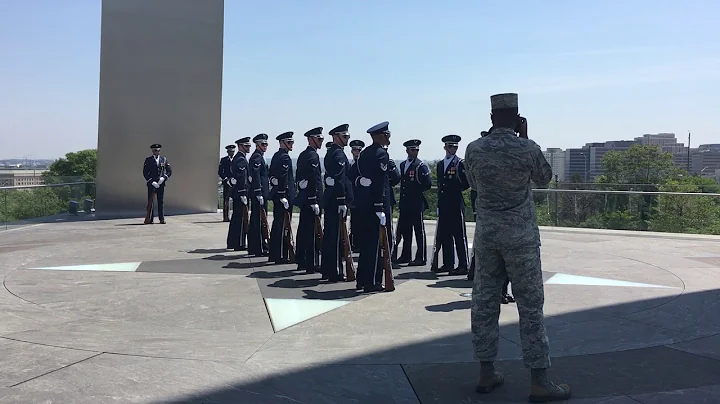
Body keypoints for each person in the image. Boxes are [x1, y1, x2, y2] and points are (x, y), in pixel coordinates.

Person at [464, 93, 569, 401]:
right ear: (517, 116)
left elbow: (472, 183)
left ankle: (486, 373)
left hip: (487, 238)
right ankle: (539, 381)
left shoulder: (474, 149)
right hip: (520, 239)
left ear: (492, 116)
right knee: (530, 307)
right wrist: (525, 138)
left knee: (484, 304)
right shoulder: (527, 148)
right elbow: (544, 178)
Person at [354, 121, 392, 293]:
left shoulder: (365, 154)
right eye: (386, 135)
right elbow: (378, 183)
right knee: (376, 245)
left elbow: (353, 174)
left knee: (366, 244)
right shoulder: (381, 154)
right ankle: (372, 282)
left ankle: (361, 279)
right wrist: (379, 207)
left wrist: (360, 183)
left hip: (363, 205)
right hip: (376, 205)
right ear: (380, 136)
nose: (388, 137)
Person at [320, 124, 353, 282]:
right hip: (336, 200)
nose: (347, 139)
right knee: (336, 237)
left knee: (331, 235)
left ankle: (328, 270)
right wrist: (342, 200)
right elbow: (340, 179)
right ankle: (335, 271)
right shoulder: (338, 154)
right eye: (345, 137)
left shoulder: (331, 153)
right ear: (336, 137)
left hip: (331, 199)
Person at [436, 135, 470, 275]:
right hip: (444, 204)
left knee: (459, 235)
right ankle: (448, 263)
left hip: (455, 203)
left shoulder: (460, 163)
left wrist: (456, 189)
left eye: (455, 146)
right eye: (450, 146)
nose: (453, 149)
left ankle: (462, 265)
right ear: (445, 147)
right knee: (445, 235)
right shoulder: (440, 164)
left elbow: (466, 182)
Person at [396, 139, 432, 266]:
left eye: (417, 149)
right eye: (412, 149)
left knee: (418, 230)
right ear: (407, 150)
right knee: (405, 230)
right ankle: (406, 255)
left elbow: (427, 183)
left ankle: (420, 257)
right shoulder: (403, 165)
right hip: (405, 202)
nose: (415, 152)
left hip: (416, 202)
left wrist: (415, 190)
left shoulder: (420, 165)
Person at [294, 127, 324, 273]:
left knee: (304, 229)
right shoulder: (312, 156)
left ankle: (301, 260)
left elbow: (299, 179)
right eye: (319, 139)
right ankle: (310, 263)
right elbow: (312, 180)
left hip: (305, 199)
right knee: (312, 232)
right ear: (311, 139)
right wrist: (314, 200)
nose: (321, 142)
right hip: (311, 199)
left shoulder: (303, 155)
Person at [268, 131, 295, 264]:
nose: (291, 145)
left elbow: (272, 175)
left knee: (278, 224)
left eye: (292, 142)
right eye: (289, 142)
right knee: (282, 226)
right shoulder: (284, 157)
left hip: (277, 195)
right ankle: (280, 255)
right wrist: (283, 195)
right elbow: (283, 178)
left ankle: (275, 254)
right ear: (282, 143)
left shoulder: (275, 156)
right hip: (283, 196)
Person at [227, 137, 251, 251]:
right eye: (246, 146)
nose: (248, 148)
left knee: (236, 218)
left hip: (237, 193)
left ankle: (232, 242)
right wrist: (243, 194)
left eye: (249, 146)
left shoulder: (238, 158)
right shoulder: (241, 159)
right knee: (241, 220)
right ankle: (239, 243)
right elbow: (241, 178)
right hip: (240, 194)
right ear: (240, 146)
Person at [248, 134, 270, 256]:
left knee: (260, 220)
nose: (265, 146)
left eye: (266, 144)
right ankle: (257, 247)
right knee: (258, 221)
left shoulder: (260, 156)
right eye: (263, 144)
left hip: (261, 193)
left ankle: (259, 246)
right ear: (257, 145)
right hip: (259, 194)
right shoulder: (256, 157)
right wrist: (258, 192)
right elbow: (255, 176)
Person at [143, 144, 172, 224]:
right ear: (152, 151)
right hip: (152, 184)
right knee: (151, 201)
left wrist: (164, 178)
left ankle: (161, 218)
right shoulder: (148, 160)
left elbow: (169, 171)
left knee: (160, 201)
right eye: (155, 150)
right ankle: (150, 219)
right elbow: (145, 172)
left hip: (161, 183)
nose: (157, 152)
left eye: (158, 150)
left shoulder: (164, 160)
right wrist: (152, 181)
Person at [384, 145, 401, 269]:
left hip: (387, 198)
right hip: (377, 199)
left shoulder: (389, 163)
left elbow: (396, 178)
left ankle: (390, 252)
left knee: (388, 229)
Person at [348, 139, 364, 252]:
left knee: (360, 221)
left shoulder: (362, 164)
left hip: (361, 197)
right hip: (352, 196)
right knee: (353, 222)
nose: (356, 151)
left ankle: (359, 243)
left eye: (358, 150)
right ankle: (354, 242)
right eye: (354, 149)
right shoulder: (350, 163)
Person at [218, 145, 236, 222]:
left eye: (233, 151)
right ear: (227, 152)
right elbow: (220, 171)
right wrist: (225, 179)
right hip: (227, 182)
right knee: (226, 200)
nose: (232, 153)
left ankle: (235, 216)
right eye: (230, 151)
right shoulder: (224, 160)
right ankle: (226, 217)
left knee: (236, 199)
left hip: (235, 182)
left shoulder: (236, 159)